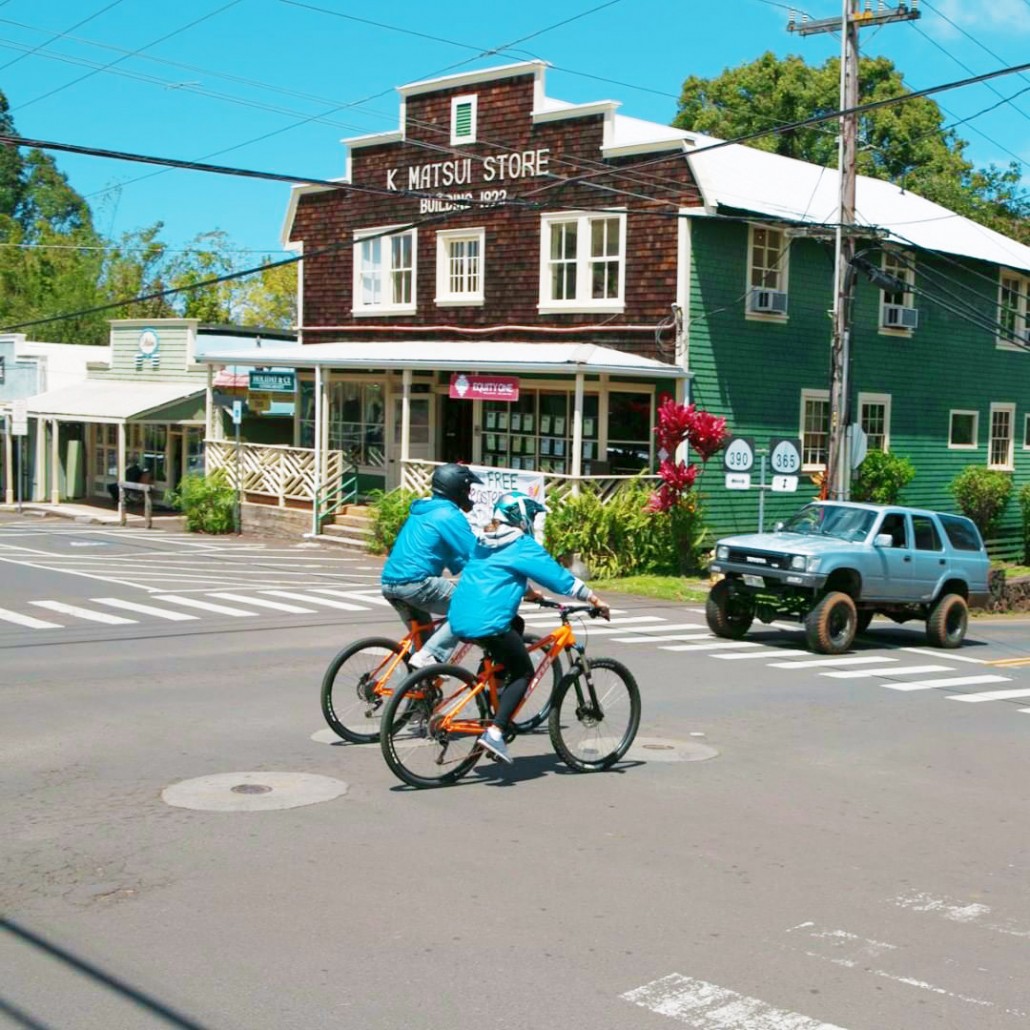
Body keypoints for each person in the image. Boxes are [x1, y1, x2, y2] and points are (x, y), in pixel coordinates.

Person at [447, 490, 609, 765]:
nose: (530, 521)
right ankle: (495, 732)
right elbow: (559, 579)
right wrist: (593, 599)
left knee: (516, 625)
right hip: (489, 623)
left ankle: (493, 689)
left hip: (460, 617)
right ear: (520, 517)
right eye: (530, 516)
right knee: (523, 671)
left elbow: (496, 573)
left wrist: (528, 592)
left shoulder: (483, 541)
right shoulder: (520, 545)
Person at [380, 463, 483, 668]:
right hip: (417, 583)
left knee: (423, 642)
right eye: (468, 489)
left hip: (390, 583)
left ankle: (418, 687)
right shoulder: (449, 515)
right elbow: (476, 557)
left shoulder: (424, 511)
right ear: (457, 489)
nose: (470, 494)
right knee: (469, 606)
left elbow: (456, 557)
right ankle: (430, 656)